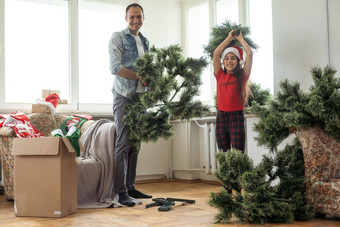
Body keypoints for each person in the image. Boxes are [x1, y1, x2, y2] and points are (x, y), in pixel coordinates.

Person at [108, 3, 152, 207]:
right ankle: (121, 192)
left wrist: (151, 83)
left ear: (143, 18)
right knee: (123, 143)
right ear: (126, 18)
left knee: (135, 144)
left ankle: (131, 186)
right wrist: (139, 76)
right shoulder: (117, 37)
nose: (136, 20)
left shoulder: (145, 41)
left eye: (139, 17)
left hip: (140, 97)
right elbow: (115, 67)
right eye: (132, 17)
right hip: (123, 95)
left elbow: (148, 70)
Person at [213, 29, 253, 153]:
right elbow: (216, 54)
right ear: (223, 62)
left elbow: (250, 54)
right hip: (221, 118)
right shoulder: (219, 75)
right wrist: (229, 39)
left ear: (238, 61)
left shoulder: (242, 76)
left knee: (237, 154)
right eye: (227, 58)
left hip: (236, 117)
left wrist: (240, 39)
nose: (229, 61)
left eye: (233, 58)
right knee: (223, 154)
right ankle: (225, 173)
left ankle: (238, 173)